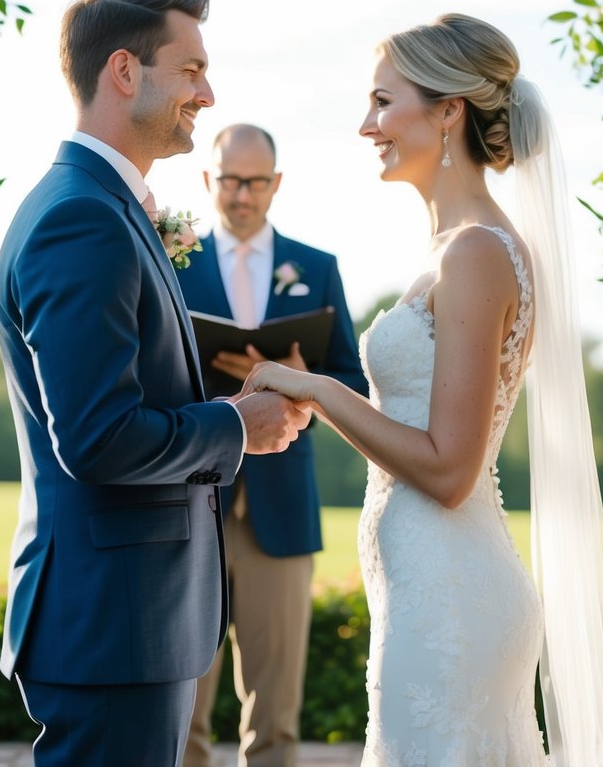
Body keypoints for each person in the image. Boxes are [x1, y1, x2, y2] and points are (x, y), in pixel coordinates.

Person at [242, 14, 603, 766]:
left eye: (382, 102)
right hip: (425, 595)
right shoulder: (451, 250)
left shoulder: (476, 254)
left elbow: (449, 471)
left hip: (451, 603)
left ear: (448, 109)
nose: (367, 126)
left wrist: (318, 391)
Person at [0, 0, 310, 767]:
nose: (208, 92)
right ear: (125, 72)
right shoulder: (82, 218)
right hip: (113, 622)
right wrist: (236, 424)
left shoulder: (110, 206)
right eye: (190, 69)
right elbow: (98, 438)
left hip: (130, 618)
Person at [179, 123, 366, 767]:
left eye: (255, 181)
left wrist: (299, 382)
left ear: (276, 184)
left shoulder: (317, 269)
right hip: (187, 500)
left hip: (282, 505)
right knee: (182, 714)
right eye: (229, 180)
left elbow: (351, 379)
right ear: (208, 180)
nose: (241, 195)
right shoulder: (170, 260)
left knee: (277, 718)